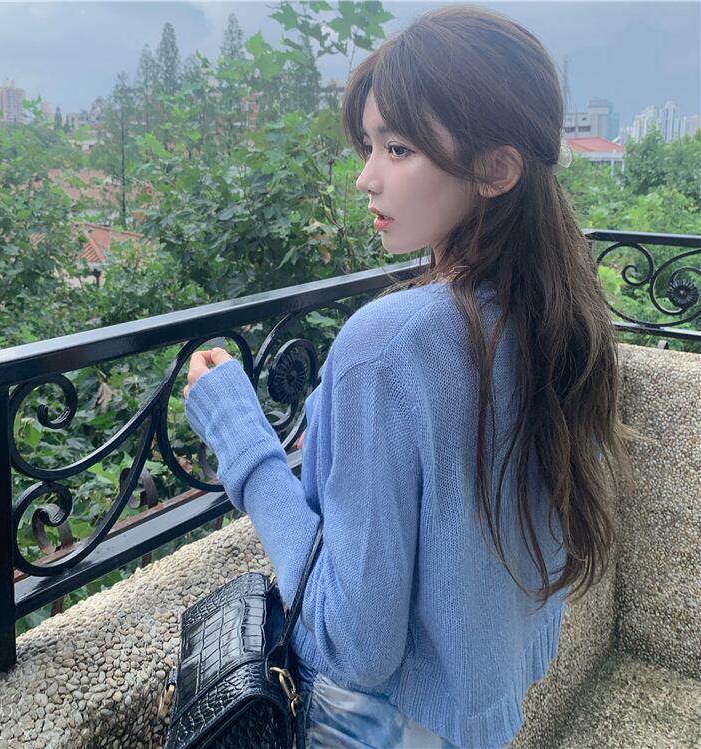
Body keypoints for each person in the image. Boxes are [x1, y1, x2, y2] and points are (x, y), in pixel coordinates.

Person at [183, 4, 638, 747]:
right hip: (479, 715)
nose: (367, 177)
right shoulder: (559, 308)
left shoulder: (389, 346)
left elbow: (351, 645)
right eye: (369, 145)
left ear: (496, 169)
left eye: (398, 149)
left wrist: (241, 438)